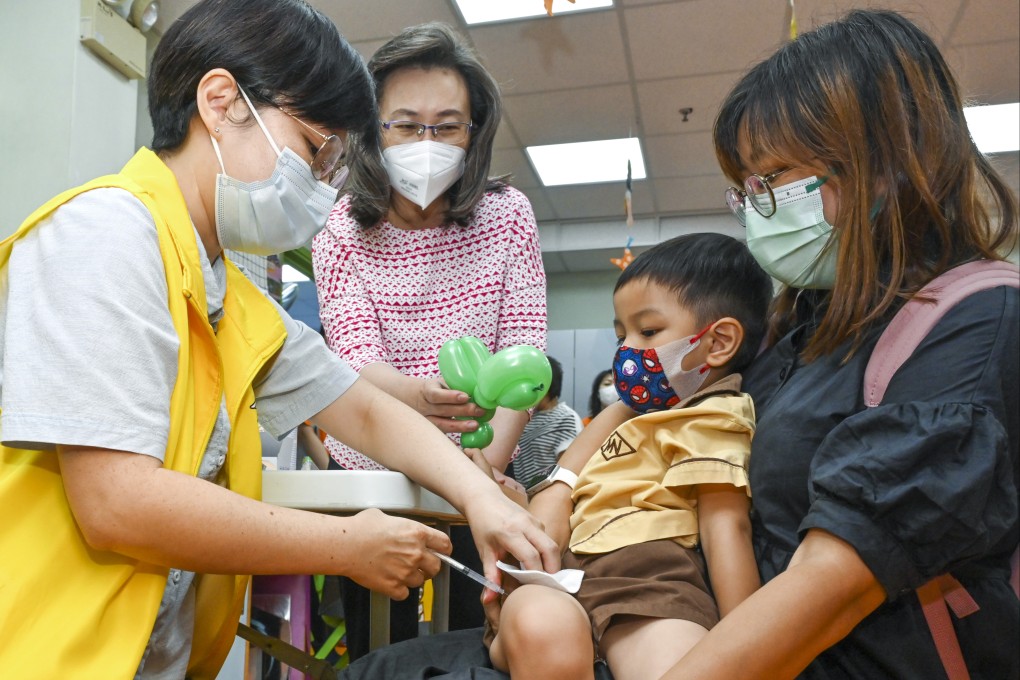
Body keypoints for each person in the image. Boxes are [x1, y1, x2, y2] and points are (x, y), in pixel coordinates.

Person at [341, 9, 1019, 680]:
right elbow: (656, 401)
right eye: (747, 187)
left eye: (775, 178)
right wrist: (559, 487)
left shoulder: (973, 324)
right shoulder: (809, 323)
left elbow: (831, 580)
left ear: (883, 163)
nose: (760, 205)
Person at [0, 2, 559, 678]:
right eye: (315, 150)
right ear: (221, 101)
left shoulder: (228, 293)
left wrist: (479, 498)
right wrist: (343, 545)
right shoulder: (103, 235)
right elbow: (117, 502)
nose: (324, 185)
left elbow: (359, 406)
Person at [311, 22, 546, 649]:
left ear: (475, 131)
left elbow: (524, 352)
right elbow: (354, 359)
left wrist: (482, 473)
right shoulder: (339, 228)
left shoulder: (508, 217)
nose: (427, 141)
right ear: (371, 129)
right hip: (372, 465)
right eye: (406, 124)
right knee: (378, 639)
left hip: (485, 456)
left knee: (478, 631)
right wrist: (422, 400)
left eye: (447, 125)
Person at [488, 233, 772, 680]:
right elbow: (567, 475)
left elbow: (726, 527)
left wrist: (750, 647)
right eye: (622, 335)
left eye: (649, 332)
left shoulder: (714, 415)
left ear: (718, 343)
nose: (627, 352)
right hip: (561, 576)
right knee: (540, 626)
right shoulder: (630, 410)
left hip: (651, 586)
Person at [511, 355, 583, 490]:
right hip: (523, 496)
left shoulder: (566, 418)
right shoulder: (523, 417)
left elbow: (568, 469)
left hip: (550, 494)